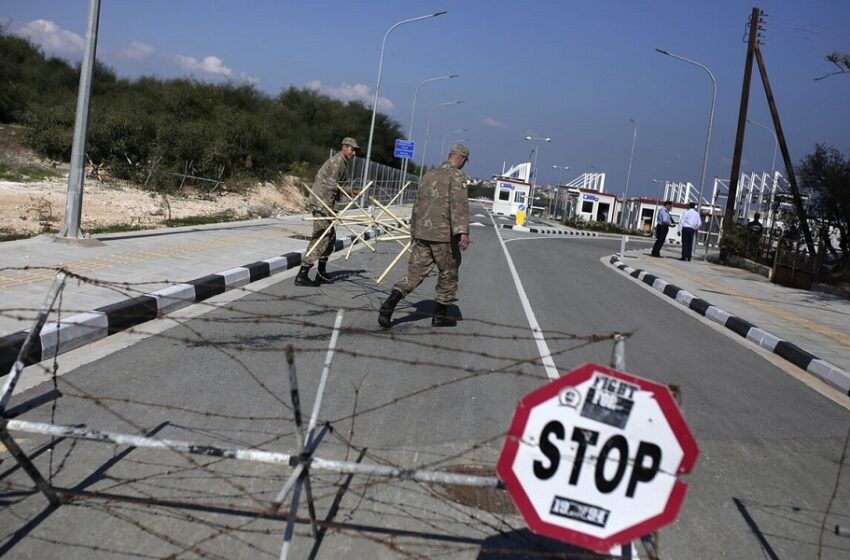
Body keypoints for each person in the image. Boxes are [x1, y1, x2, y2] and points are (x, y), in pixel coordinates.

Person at [378, 144, 471, 328]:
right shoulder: (457, 175)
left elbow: (417, 204)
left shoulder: (429, 174)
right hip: (443, 236)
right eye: (465, 161)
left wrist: (414, 230)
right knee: (448, 273)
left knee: (414, 274)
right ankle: (440, 316)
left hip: (423, 233)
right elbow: (459, 205)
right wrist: (462, 232)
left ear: (449, 155)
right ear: (461, 159)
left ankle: (389, 305)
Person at [294, 137, 359, 286]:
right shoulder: (337, 162)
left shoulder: (343, 162)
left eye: (355, 150)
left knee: (330, 238)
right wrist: (333, 208)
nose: (354, 153)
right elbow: (330, 186)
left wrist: (349, 192)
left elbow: (337, 187)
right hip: (321, 204)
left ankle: (321, 272)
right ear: (344, 147)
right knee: (322, 236)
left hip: (327, 204)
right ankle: (302, 274)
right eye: (352, 149)